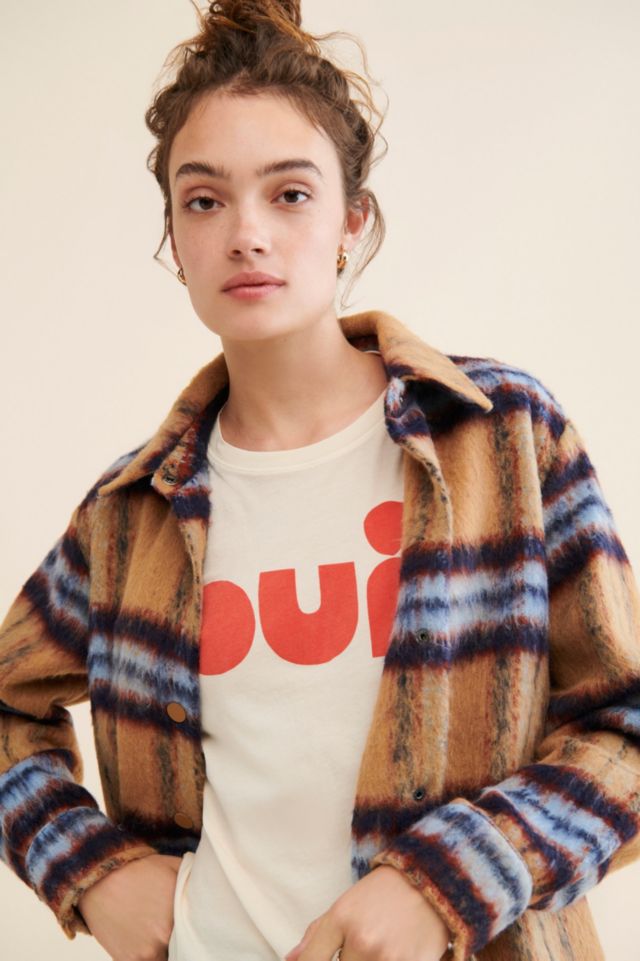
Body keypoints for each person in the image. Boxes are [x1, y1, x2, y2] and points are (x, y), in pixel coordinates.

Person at [1, 2, 639, 960]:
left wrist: (446, 885)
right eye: (204, 200)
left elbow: (626, 729)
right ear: (173, 238)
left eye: (290, 193)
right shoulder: (130, 512)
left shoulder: (504, 436)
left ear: (352, 220)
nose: (246, 233)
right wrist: (92, 871)